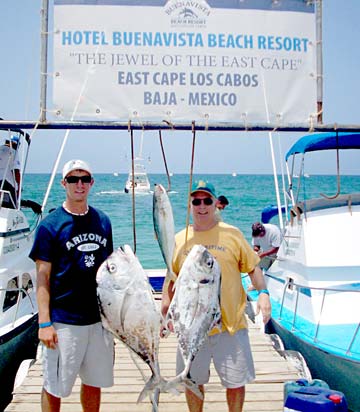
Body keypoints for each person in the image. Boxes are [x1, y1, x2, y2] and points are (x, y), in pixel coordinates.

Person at [161, 179, 271, 412]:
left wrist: (263, 293)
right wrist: (165, 302)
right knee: (193, 381)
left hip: (230, 326)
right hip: (190, 325)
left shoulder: (232, 234)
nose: (202, 206)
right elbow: (172, 275)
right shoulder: (179, 239)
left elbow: (252, 267)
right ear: (190, 205)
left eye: (207, 200)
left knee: (235, 383)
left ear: (215, 203)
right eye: (196, 201)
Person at [29, 159, 114, 412]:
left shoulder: (103, 221)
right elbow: (42, 277)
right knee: (54, 385)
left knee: (93, 382)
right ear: (63, 183)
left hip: (98, 321)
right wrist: (44, 323)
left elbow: (109, 273)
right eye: (74, 179)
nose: (80, 185)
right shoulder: (50, 226)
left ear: (91, 183)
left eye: (84, 179)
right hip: (63, 321)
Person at [0, 135, 21, 208]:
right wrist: (18, 187)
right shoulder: (13, 152)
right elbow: (16, 172)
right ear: (15, 144)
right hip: (7, 184)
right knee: (11, 207)